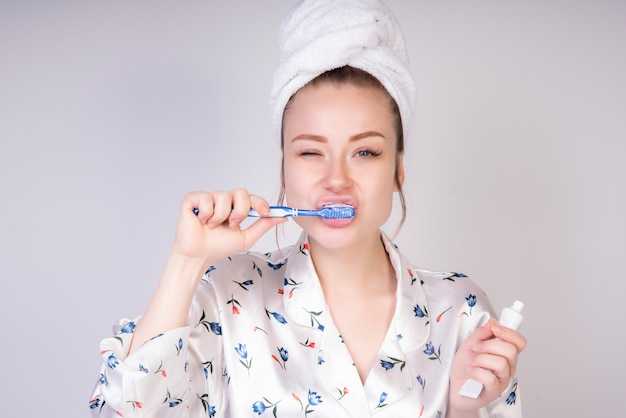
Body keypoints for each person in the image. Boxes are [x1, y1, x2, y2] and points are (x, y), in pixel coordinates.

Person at [89, 1, 526, 417]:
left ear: (398, 171)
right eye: (311, 153)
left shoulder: (463, 311)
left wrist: (465, 409)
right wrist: (187, 261)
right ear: (284, 169)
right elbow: (129, 410)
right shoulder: (227, 295)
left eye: (366, 152)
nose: (336, 179)